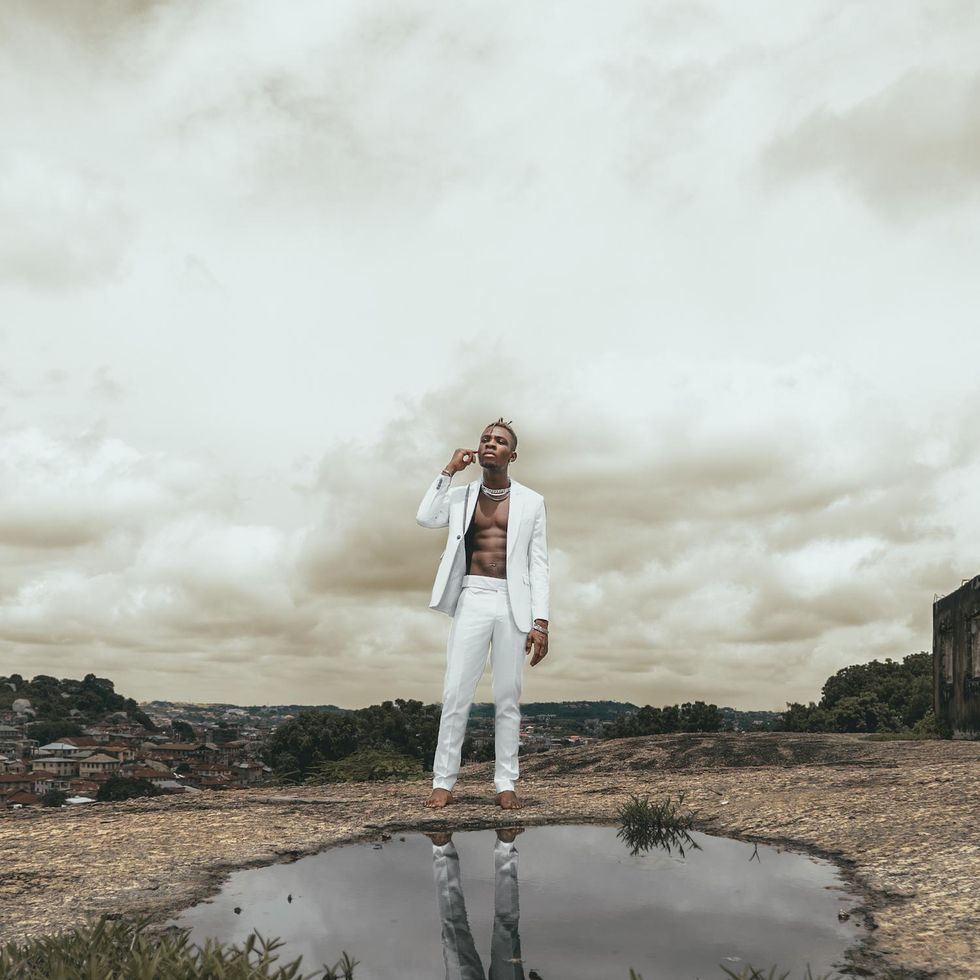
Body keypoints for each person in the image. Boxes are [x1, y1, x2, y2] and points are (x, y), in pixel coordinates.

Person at [417, 418, 549, 810]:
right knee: (456, 692)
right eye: (485, 439)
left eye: (500, 441)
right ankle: (444, 781)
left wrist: (540, 622)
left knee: (508, 696)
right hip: (472, 595)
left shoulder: (532, 502)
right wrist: (448, 470)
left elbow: (539, 564)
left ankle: (505, 782)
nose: (491, 444)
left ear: (513, 454)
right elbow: (425, 517)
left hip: (514, 601)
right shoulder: (460, 496)